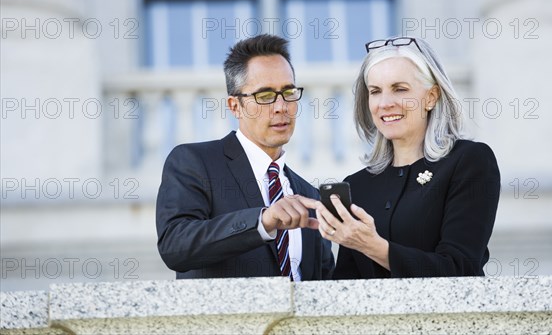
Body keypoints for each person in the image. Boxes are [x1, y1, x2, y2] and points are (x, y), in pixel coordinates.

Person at [309, 36, 500, 278]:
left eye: (400, 89)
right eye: (375, 91)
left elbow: (460, 268)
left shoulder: (469, 161)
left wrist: (372, 246)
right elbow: (346, 286)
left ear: (431, 97)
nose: (385, 103)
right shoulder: (357, 185)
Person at [156, 34, 334, 281]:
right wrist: (263, 220)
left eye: (289, 92)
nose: (281, 106)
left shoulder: (309, 196)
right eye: (264, 96)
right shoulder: (194, 162)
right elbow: (175, 246)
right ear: (235, 106)